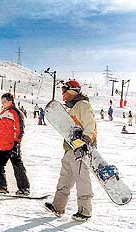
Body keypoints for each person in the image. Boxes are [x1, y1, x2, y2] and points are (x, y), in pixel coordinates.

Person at [45, 80, 96, 222]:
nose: (62, 93)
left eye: (64, 90)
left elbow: (90, 125)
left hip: (80, 149)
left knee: (82, 179)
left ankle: (85, 211)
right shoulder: (71, 108)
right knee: (65, 177)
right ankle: (58, 206)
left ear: (72, 90)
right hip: (70, 148)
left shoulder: (83, 105)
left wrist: (84, 144)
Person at [0, 93, 30, 196]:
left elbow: (20, 129)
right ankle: (1, 186)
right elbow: (1, 130)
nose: (3, 103)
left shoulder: (16, 112)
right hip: (2, 144)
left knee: (17, 166)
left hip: (12, 144)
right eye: (2, 102)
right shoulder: (3, 112)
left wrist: (17, 142)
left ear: (10, 101)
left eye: (5, 101)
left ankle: (24, 188)